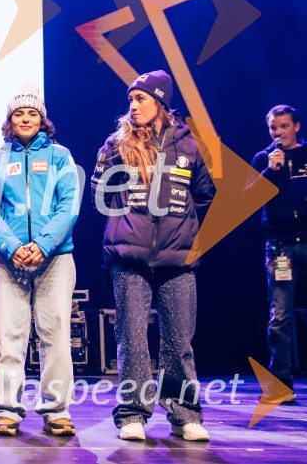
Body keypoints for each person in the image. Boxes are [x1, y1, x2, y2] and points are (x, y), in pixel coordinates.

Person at [90, 70, 215, 442]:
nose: (133, 105)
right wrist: (129, 218)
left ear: (161, 102)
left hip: (178, 258)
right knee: (132, 338)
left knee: (179, 339)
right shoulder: (116, 144)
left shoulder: (190, 144)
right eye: (130, 99)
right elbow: (99, 191)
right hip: (129, 257)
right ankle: (132, 413)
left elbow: (204, 193)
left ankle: (185, 415)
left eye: (140, 99)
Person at [0, 85, 81, 436]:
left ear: (42, 120)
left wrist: (43, 244)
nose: (25, 118)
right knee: (8, 337)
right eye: (19, 113)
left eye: (32, 113)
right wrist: (11, 247)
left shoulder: (60, 156)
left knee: (55, 335)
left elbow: (69, 206)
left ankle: (57, 411)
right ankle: (8, 409)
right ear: (10, 121)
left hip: (55, 259)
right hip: (10, 262)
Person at [248, 105, 306, 403]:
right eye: (273, 128)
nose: (278, 133)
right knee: (280, 316)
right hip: (280, 246)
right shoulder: (263, 159)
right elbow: (248, 197)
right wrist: (271, 171)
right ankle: (281, 384)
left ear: (296, 126)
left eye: (284, 126)